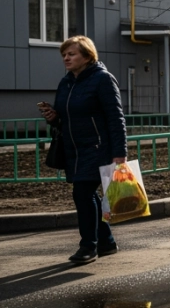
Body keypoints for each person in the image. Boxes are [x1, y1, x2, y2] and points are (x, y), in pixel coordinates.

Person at [38, 36, 128, 265]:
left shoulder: (103, 80)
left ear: (88, 56)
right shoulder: (66, 82)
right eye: (64, 55)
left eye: (72, 54)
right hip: (74, 148)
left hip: (98, 148)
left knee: (82, 193)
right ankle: (106, 241)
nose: (66, 58)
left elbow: (116, 118)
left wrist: (120, 153)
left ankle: (89, 246)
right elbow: (66, 117)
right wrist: (54, 118)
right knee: (87, 194)